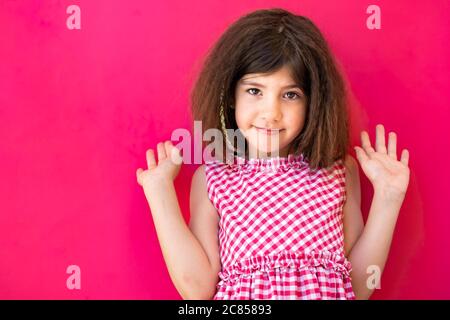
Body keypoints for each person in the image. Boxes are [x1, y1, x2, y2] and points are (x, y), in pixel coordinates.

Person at [136, 8, 410, 300]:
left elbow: (355, 285)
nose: (271, 113)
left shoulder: (338, 170)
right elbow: (197, 290)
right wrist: (159, 191)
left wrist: (388, 199)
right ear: (231, 95)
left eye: (290, 94)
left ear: (313, 102)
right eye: (255, 90)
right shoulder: (214, 178)